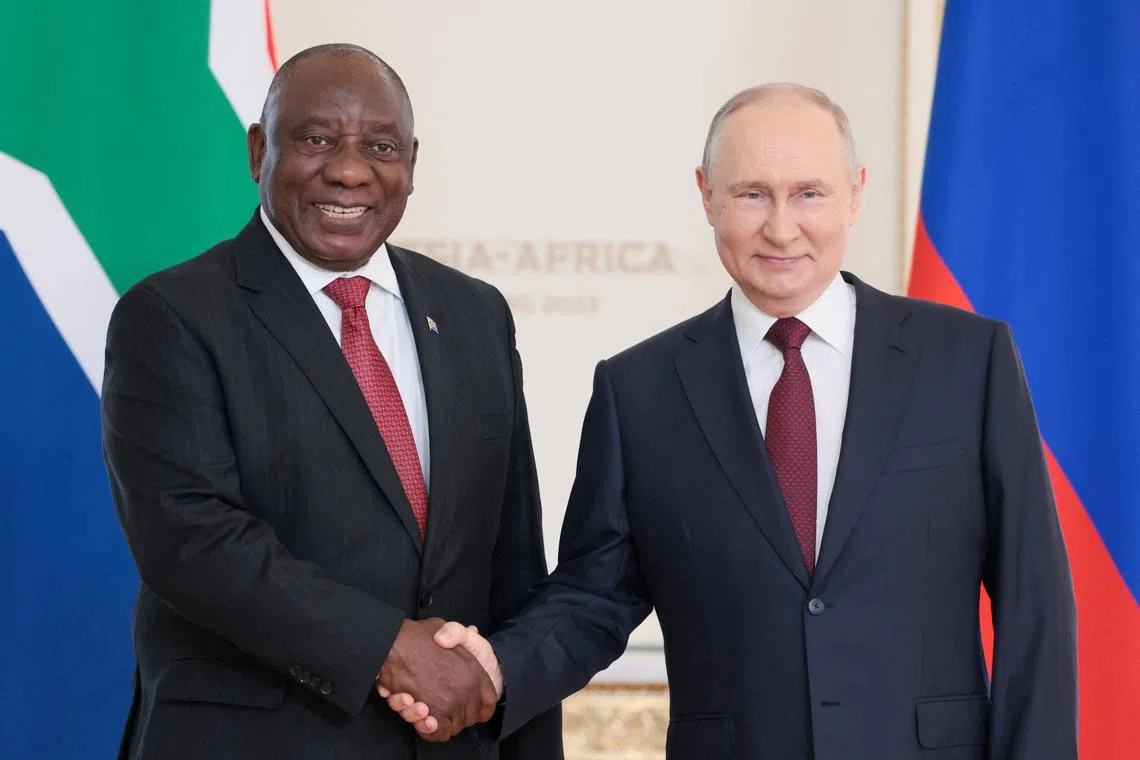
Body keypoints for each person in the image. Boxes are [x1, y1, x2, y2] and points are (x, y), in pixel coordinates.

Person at [385, 84, 1078, 759]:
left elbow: (1034, 608)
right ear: (707, 195)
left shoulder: (967, 360)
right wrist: (495, 670)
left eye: (809, 193)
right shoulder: (640, 390)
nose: (781, 227)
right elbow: (592, 598)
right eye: (752, 194)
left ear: (856, 193)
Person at [101, 43, 562, 760]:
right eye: (317, 139)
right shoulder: (171, 315)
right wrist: (386, 648)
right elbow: (191, 540)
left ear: (411, 162)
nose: (349, 170)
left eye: (379, 147)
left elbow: (513, 563)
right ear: (259, 151)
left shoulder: (474, 313)